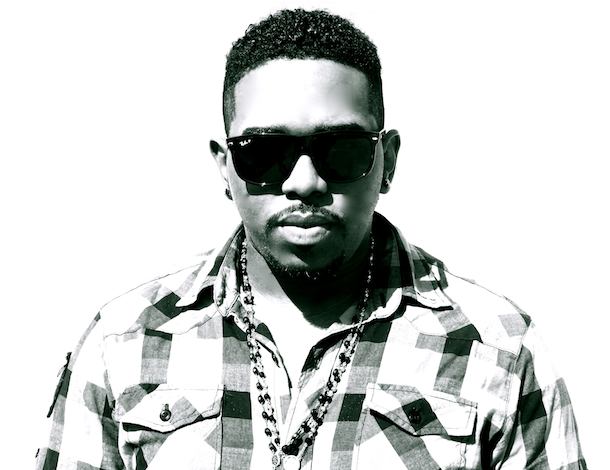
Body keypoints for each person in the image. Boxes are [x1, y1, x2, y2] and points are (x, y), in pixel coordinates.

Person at [35, 8, 586, 470]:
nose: (304, 182)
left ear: (387, 161)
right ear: (224, 167)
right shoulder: (125, 342)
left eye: (340, 149)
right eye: (264, 152)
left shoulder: (497, 349)